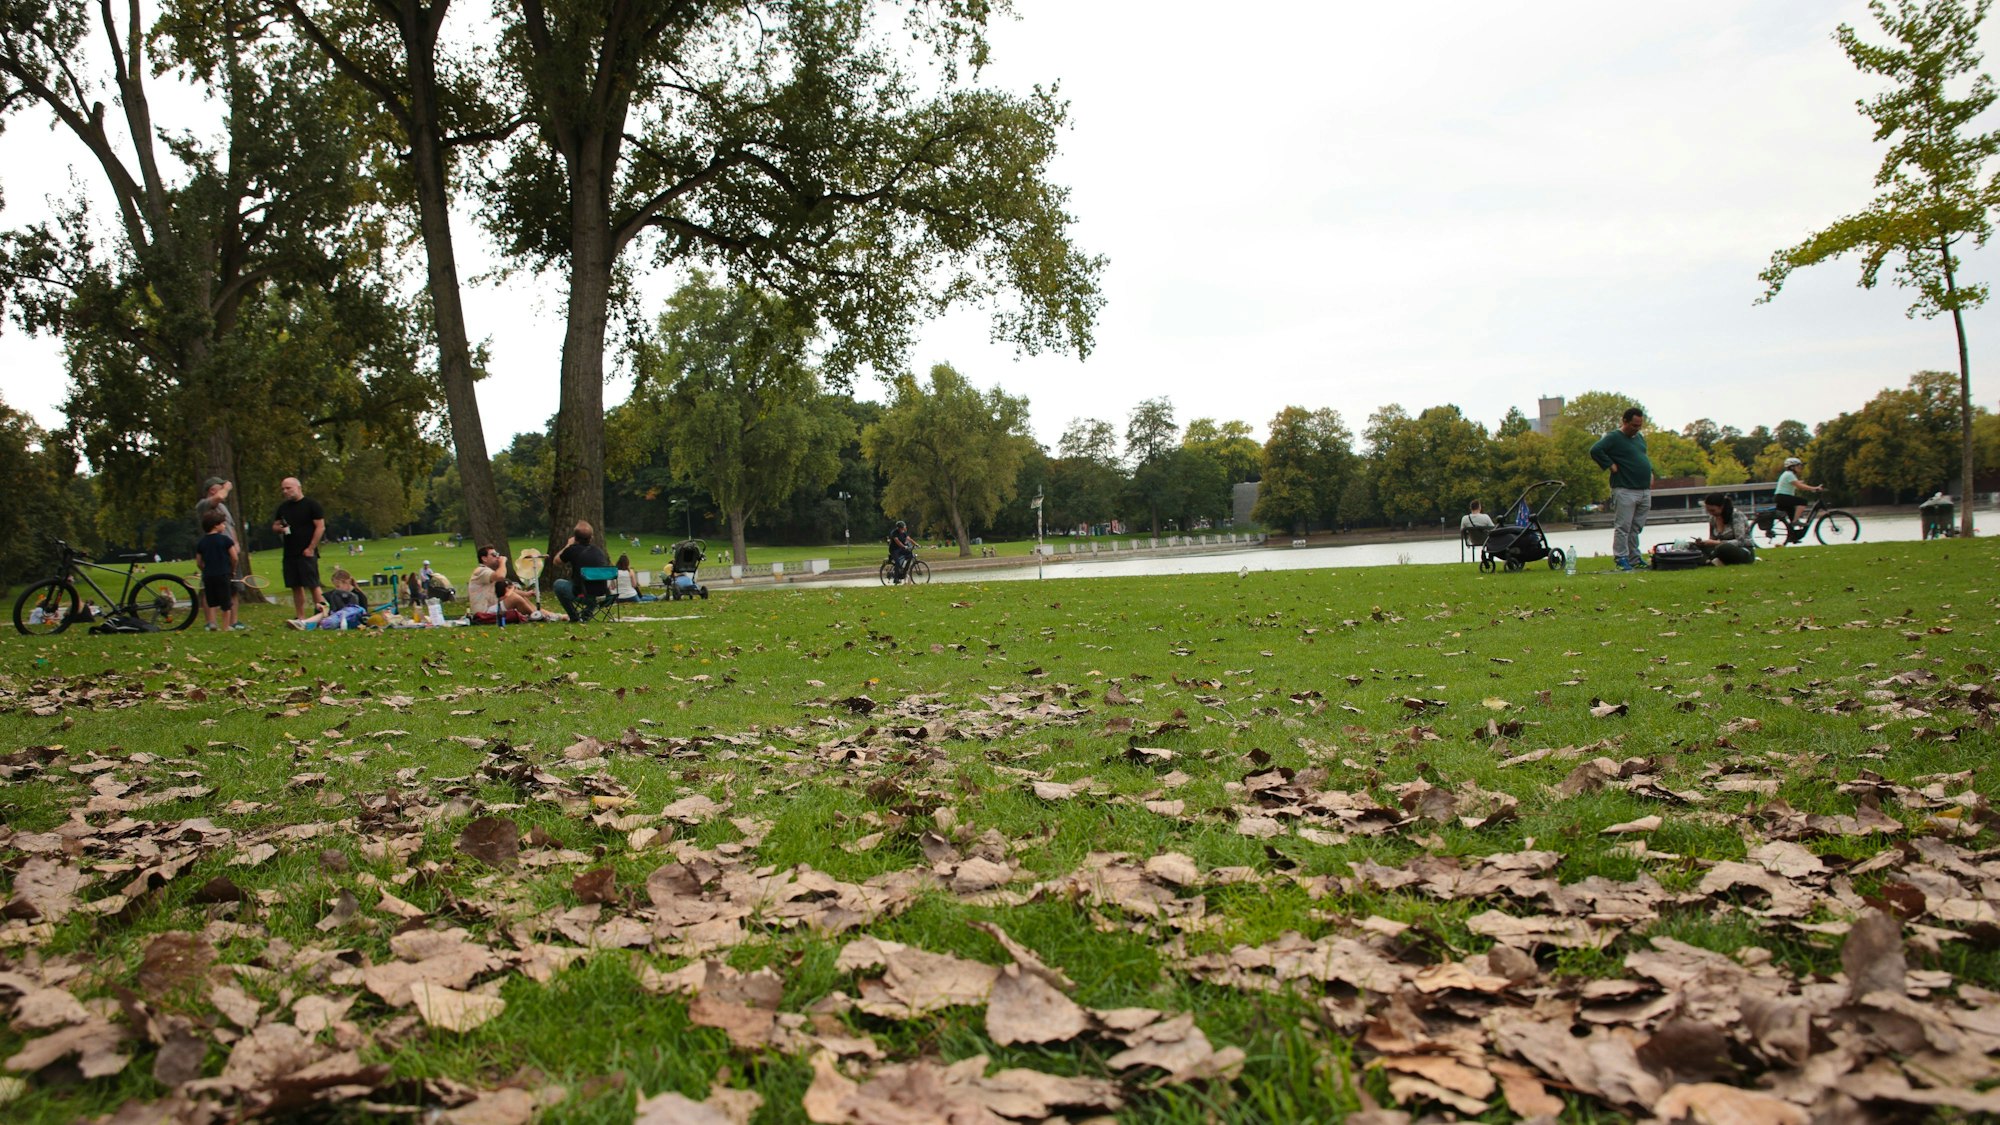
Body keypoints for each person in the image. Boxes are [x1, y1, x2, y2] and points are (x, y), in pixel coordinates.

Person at [1590, 408, 1655, 572]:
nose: (1637, 428)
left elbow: (1641, 456)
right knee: (1623, 527)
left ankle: (1634, 557)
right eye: (1634, 425)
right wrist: (1610, 465)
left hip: (1643, 489)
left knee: (1636, 527)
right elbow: (1595, 450)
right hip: (1625, 489)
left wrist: (1649, 471)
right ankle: (1621, 558)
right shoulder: (1614, 437)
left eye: (1639, 425)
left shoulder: (1639, 438)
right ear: (1625, 421)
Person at [271, 476, 326, 619]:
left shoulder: (311, 505)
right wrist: (280, 529)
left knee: (313, 584)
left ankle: (323, 615)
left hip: (307, 551)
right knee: (295, 585)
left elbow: (320, 527)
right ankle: (300, 617)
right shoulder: (283, 508)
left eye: (288, 488)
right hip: (290, 552)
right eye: (283, 489)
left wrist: (311, 548)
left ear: (298, 488)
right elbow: (275, 525)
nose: (285, 491)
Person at [196, 508, 246, 631]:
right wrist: (232, 570)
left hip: (208, 575)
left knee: (211, 600)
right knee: (226, 602)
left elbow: (198, 562)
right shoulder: (225, 540)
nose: (224, 526)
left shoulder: (201, 542)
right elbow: (234, 558)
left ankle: (212, 623)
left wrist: (204, 569)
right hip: (223, 574)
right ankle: (225, 626)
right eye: (223, 524)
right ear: (216, 526)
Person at [554, 521, 613, 621]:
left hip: (582, 595)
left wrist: (568, 545)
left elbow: (556, 561)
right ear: (591, 537)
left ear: (575, 537)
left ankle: (574, 616)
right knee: (593, 586)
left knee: (558, 584)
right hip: (602, 596)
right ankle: (587, 613)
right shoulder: (599, 551)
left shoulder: (572, 550)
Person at [468, 545, 539, 623]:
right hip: (483, 613)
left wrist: (526, 594)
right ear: (484, 558)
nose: (497, 557)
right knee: (514, 598)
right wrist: (502, 562)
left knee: (521, 597)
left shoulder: (490, 572)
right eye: (494, 555)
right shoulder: (481, 571)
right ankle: (536, 616)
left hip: (492, 608)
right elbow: (500, 576)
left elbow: (508, 589)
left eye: (497, 554)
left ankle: (543, 614)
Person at [287, 568, 368, 629]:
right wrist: (321, 605)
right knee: (324, 610)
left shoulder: (359, 596)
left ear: (346, 582)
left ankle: (304, 623)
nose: (337, 589)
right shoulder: (335, 594)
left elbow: (363, 614)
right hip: (334, 618)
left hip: (351, 620)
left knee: (327, 613)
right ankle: (304, 623)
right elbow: (328, 602)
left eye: (338, 586)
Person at [1693, 493, 1756, 566]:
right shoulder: (1712, 519)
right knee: (1693, 546)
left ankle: (1709, 560)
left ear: (1722, 507)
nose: (1711, 513)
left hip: (1740, 550)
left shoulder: (1736, 515)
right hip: (1717, 549)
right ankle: (1710, 561)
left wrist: (1717, 543)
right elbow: (1712, 538)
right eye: (1708, 511)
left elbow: (1740, 541)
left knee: (1723, 548)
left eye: (1713, 510)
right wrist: (1703, 543)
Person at [1772, 457, 1823, 528]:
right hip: (1783, 497)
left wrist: (1809, 488)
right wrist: (1815, 488)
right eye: (1798, 466)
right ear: (1792, 467)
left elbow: (1796, 483)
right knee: (1803, 502)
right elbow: (1799, 486)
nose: (1800, 467)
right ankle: (1796, 522)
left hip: (1782, 497)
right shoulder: (1789, 475)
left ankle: (1793, 534)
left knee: (1792, 518)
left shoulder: (1789, 475)